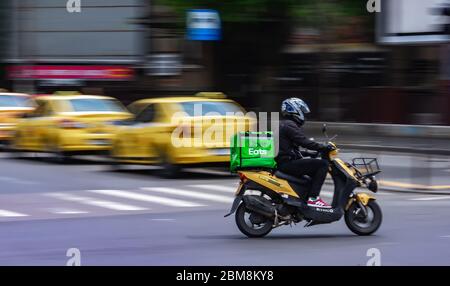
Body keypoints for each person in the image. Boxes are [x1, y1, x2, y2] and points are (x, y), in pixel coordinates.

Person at [275, 98, 334, 208]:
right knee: (323, 165)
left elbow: (291, 149)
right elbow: (304, 141)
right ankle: (313, 198)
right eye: (302, 111)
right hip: (287, 164)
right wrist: (323, 147)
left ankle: (304, 198)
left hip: (285, 161)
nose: (304, 115)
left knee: (313, 170)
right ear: (295, 110)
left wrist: (310, 154)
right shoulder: (289, 125)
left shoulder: (286, 124)